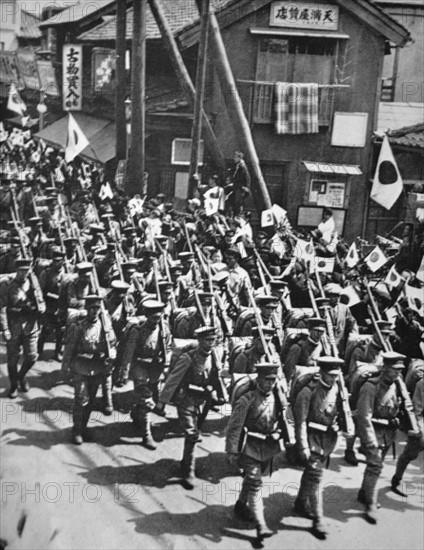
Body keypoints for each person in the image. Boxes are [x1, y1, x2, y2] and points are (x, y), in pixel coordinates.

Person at [226, 362, 285, 541]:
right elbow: (234, 428)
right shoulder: (247, 400)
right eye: (266, 380)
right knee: (255, 482)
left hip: (268, 448)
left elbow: (283, 423)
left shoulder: (278, 399)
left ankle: (240, 504)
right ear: (258, 379)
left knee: (251, 480)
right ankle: (261, 524)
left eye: (273, 380)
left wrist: (279, 433)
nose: (270, 384)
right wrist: (231, 451)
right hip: (249, 447)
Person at [157, 327, 220, 490]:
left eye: (212, 340)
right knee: (192, 434)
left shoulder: (214, 355)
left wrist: (216, 393)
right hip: (185, 399)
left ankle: (186, 461)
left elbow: (215, 377)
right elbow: (173, 380)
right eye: (206, 340)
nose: (210, 344)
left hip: (202, 401)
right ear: (199, 341)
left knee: (193, 433)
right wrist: (162, 402)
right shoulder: (188, 358)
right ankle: (188, 471)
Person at [292, 356, 345, 539]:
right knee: (316, 476)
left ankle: (300, 502)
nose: (333, 379)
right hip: (311, 439)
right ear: (321, 372)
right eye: (330, 375)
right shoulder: (308, 392)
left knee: (311, 474)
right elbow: (300, 422)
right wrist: (303, 446)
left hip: (327, 440)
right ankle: (318, 519)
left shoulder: (337, 388)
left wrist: (338, 424)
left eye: (336, 375)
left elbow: (336, 412)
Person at [356, 351, 405, 524]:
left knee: (375, 466)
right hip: (373, 432)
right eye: (394, 369)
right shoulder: (371, 387)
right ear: (384, 368)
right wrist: (369, 442)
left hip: (388, 433)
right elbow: (364, 416)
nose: (398, 373)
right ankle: (370, 503)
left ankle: (364, 492)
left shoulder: (397, 385)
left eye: (400, 370)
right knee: (375, 466)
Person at [61, 295, 117, 444]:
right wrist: (65, 367)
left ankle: (83, 427)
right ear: (87, 309)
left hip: (97, 368)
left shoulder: (105, 326)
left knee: (90, 401)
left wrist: (110, 353)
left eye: (97, 308)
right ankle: (77, 430)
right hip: (80, 367)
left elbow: (113, 343)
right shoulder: (78, 327)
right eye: (92, 308)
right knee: (81, 400)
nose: (94, 311)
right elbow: (69, 348)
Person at [119, 299, 170, 450]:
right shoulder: (137, 330)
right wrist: (124, 373)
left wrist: (167, 362)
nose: (156, 320)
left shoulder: (164, 328)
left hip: (155, 367)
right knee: (147, 399)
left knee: (154, 396)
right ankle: (146, 435)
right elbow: (128, 354)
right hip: (139, 367)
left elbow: (169, 346)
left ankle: (136, 412)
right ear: (147, 316)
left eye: (159, 317)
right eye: (153, 317)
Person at [1, 259, 46, 398]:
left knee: (32, 356)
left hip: (31, 325)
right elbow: (1, 308)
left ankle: (21, 376)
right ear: (16, 270)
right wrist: (5, 329)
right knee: (13, 359)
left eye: (26, 270)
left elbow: (41, 300)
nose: (23, 273)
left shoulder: (33, 282)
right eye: (21, 270)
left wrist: (41, 307)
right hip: (13, 325)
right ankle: (14, 385)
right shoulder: (6, 285)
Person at [391, 376, 424, 495]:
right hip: (421, 424)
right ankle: (396, 480)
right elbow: (417, 410)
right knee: (410, 454)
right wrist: (420, 429)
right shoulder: (422, 384)